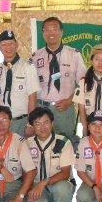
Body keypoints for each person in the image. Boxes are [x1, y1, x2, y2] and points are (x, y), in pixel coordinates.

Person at [30, 16, 86, 145]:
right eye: (47, 29)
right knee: (43, 143)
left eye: (55, 29)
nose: (51, 33)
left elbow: (83, 84)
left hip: (65, 109)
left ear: (61, 32)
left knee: (66, 143)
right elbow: (31, 86)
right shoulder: (35, 57)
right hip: (42, 108)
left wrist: (70, 100)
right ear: (43, 33)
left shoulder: (74, 54)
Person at [25, 107, 75, 202]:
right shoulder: (27, 144)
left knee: (64, 189)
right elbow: (26, 172)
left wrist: (44, 182)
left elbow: (65, 173)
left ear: (52, 123)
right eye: (38, 124)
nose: (42, 127)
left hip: (58, 184)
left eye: (46, 122)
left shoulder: (63, 142)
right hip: (37, 186)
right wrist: (30, 189)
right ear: (32, 126)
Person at [0, 30, 40, 137]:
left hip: (21, 121)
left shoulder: (27, 67)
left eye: (11, 43)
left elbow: (32, 97)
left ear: (17, 45)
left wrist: (30, 123)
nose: (8, 47)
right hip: (1, 123)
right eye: (3, 44)